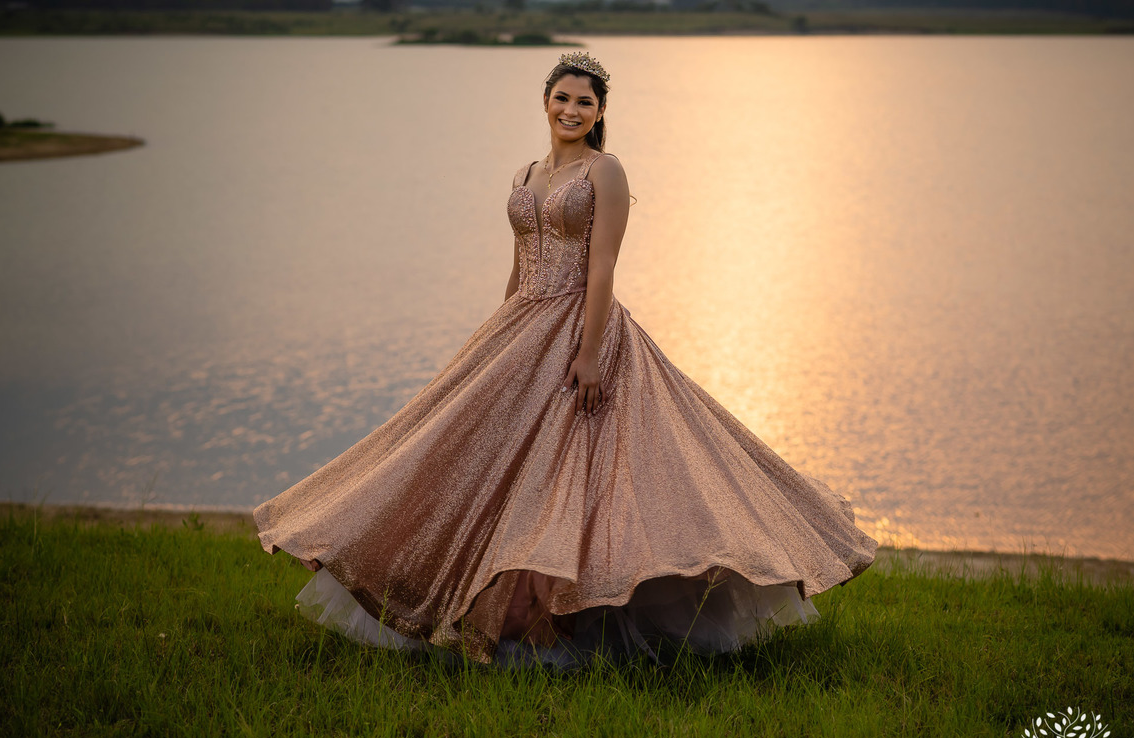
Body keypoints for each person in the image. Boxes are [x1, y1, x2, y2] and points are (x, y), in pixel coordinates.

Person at [254, 52, 878, 670]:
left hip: (582, 328)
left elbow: (602, 265)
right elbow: (519, 261)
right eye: (562, 98)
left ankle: (562, 623)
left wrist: (588, 353)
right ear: (545, 103)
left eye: (585, 101)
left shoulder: (606, 171)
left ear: (600, 111)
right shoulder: (526, 173)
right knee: (465, 456)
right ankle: (470, 605)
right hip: (522, 325)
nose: (571, 109)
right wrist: (493, 342)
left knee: (574, 473)